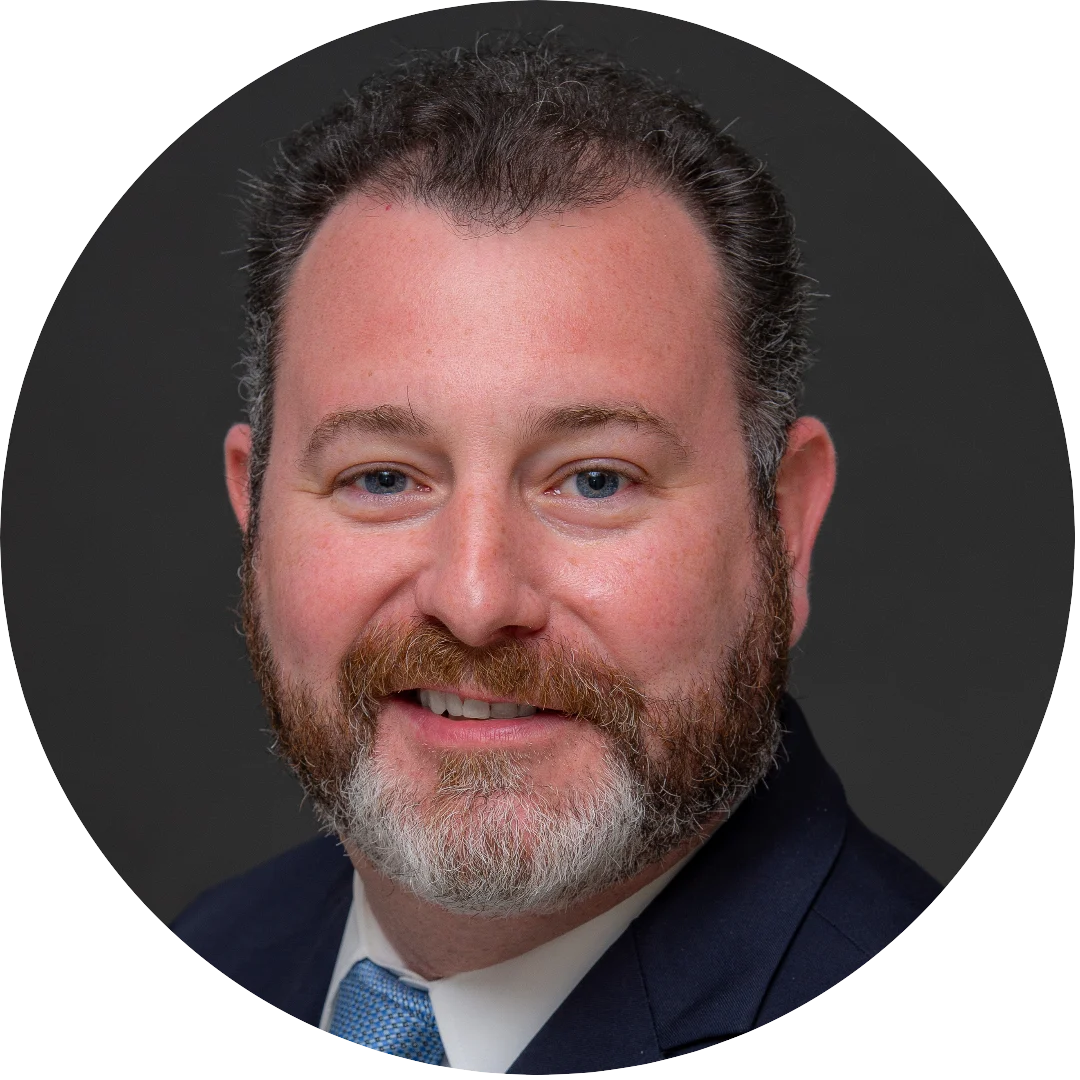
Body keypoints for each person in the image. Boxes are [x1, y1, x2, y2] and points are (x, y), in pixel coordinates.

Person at [171, 31, 942, 1071]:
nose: (478, 598)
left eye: (595, 480)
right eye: (384, 479)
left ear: (786, 530)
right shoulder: (221, 946)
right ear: (255, 515)